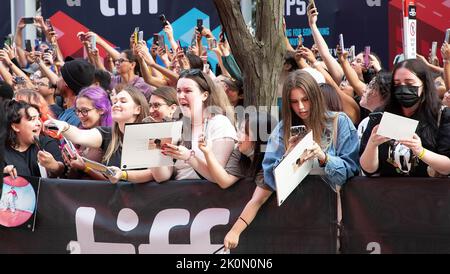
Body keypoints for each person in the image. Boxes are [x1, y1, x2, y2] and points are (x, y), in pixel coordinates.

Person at [263, 70, 359, 190]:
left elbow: (351, 171)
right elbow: (271, 180)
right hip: (296, 204)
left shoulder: (339, 121)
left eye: (305, 99)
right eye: (294, 102)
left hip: (332, 202)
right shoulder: (282, 129)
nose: (301, 107)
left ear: (315, 96)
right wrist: (288, 157)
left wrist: (324, 158)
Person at [360, 59, 450, 177]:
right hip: (388, 192)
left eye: (410, 83)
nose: (403, 89)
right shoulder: (381, 116)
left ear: (424, 85)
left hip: (428, 193)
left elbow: (447, 167)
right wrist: (372, 144)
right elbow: (368, 169)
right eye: (397, 84)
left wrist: (421, 151)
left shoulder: (442, 116)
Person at [150, 68, 237, 182]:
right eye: (178, 91)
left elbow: (217, 177)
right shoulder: (177, 126)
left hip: (207, 196)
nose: (181, 96)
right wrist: (154, 147)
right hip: (178, 196)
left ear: (204, 95)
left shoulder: (219, 123)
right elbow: (162, 177)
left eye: (187, 91)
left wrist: (189, 157)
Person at [44, 85, 149, 174]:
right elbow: (79, 135)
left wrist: (86, 168)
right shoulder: (106, 134)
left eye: (123, 101)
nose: (116, 105)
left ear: (138, 109)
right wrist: (64, 127)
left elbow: (156, 176)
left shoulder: (150, 137)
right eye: (115, 101)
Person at [3, 100, 65, 178]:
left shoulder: (47, 143)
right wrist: (4, 173)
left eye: (38, 118)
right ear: (15, 127)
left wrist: (54, 166)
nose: (39, 123)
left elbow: (62, 171)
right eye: (32, 119)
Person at [63, 86, 113, 180]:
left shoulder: (112, 137)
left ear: (101, 110)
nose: (80, 116)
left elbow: (112, 180)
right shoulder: (80, 132)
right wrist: (71, 163)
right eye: (77, 111)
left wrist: (86, 168)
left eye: (85, 111)